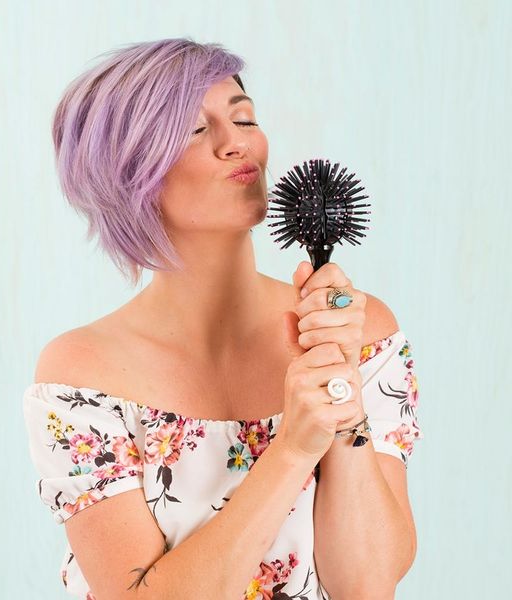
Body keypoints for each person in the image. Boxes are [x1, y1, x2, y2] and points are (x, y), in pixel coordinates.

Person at [22, 37, 424, 600]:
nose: (237, 142)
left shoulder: (359, 332)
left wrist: (342, 407)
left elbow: (368, 584)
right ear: (128, 171)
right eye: (195, 129)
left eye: (244, 118)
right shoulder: (82, 375)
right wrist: (293, 448)